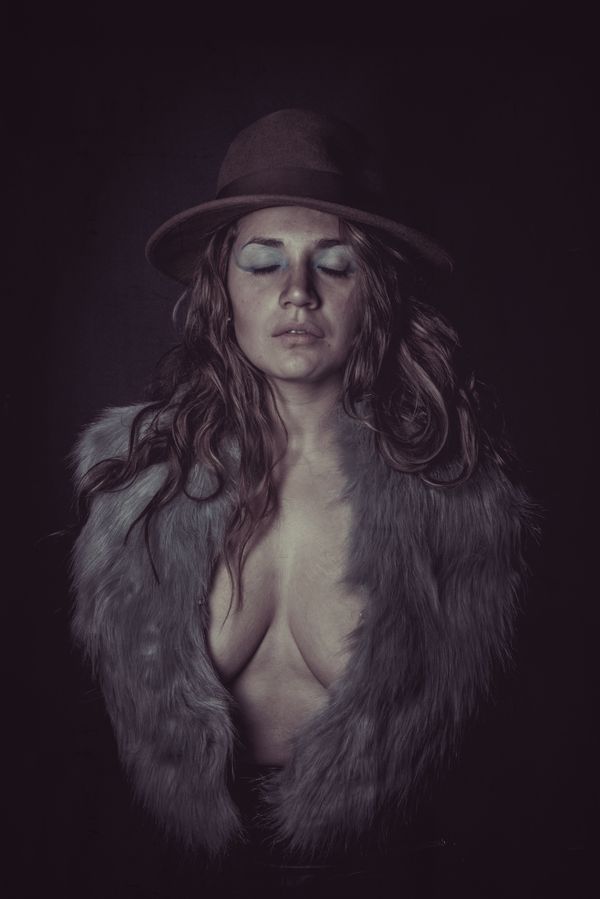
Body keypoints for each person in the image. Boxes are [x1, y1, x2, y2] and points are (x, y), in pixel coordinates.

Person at [70, 109, 532, 891]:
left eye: (334, 264)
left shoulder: (458, 496)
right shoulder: (137, 479)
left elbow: (494, 763)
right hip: (176, 874)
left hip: (394, 873)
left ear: (373, 289)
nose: (297, 293)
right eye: (262, 263)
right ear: (222, 287)